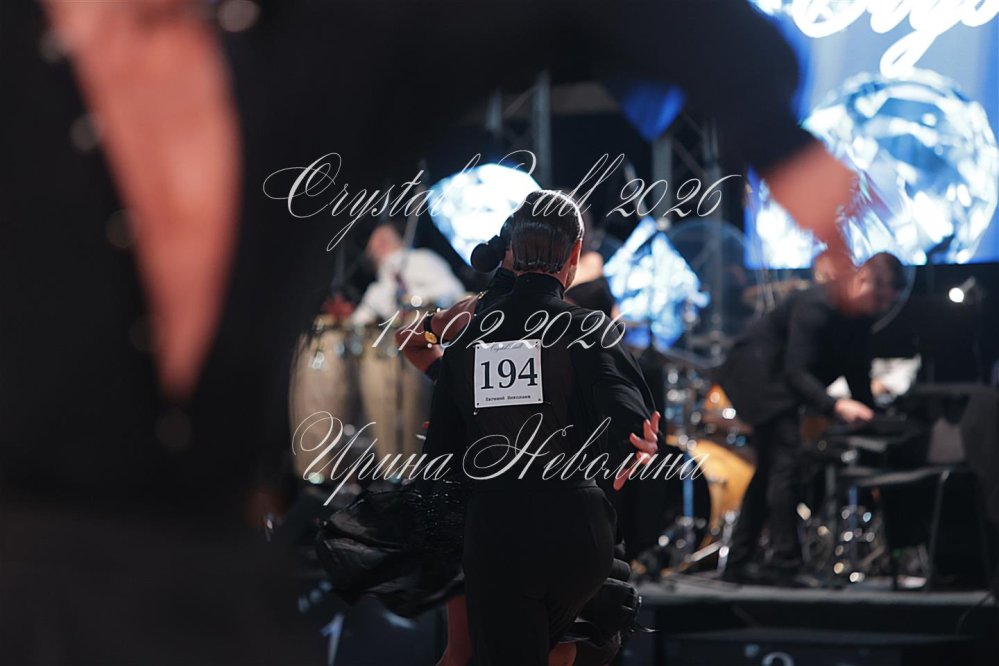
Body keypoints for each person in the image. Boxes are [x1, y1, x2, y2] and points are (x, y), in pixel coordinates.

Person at [2, 0, 866, 660]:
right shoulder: (572, 323)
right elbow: (616, 421)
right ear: (567, 258)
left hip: (291, 572)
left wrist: (769, 128)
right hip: (537, 524)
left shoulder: (311, 59)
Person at [424, 190, 661, 665]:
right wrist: (639, 443)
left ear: (511, 252)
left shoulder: (469, 338)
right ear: (575, 254)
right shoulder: (588, 328)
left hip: (498, 532)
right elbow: (631, 421)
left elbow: (441, 456)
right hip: (577, 532)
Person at [715, 252, 907, 585]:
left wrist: (875, 419)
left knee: (770, 469)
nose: (881, 308)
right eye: (879, 299)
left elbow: (858, 373)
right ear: (862, 279)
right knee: (785, 463)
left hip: (781, 383)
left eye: (886, 303)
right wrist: (836, 407)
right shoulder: (818, 304)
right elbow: (796, 371)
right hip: (757, 375)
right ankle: (785, 563)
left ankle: (739, 562)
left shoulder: (860, 318)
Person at [350, 220, 465, 326]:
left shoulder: (421, 258)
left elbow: (453, 289)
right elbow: (357, 323)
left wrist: (414, 299)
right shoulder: (376, 292)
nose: (379, 245)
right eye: (375, 245)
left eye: (384, 239)